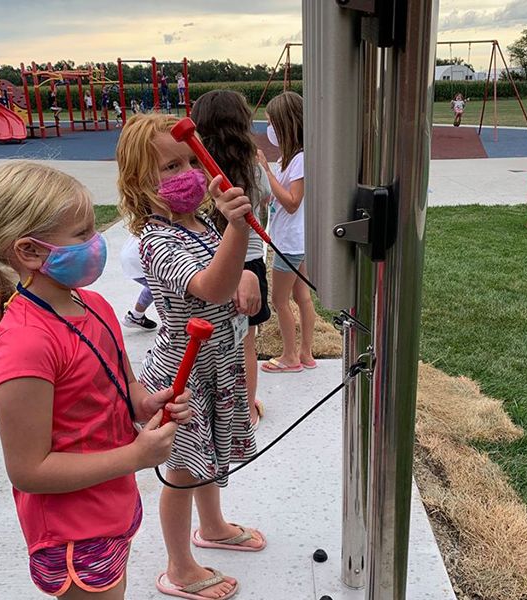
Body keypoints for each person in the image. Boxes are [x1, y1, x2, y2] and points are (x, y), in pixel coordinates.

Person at [0, 161, 193, 599]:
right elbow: (28, 470)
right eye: (81, 234)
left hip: (110, 505)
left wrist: (145, 403)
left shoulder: (93, 303)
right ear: (29, 251)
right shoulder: (25, 344)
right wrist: (136, 455)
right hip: (72, 532)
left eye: (93, 229)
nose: (96, 242)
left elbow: (123, 385)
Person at [117, 113, 266, 600]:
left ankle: (214, 526)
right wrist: (239, 230)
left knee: (209, 457)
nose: (186, 174)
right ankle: (179, 567)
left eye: (188, 160)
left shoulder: (198, 221)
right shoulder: (155, 240)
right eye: (168, 167)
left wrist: (245, 273)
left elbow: (223, 270)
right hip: (182, 374)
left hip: (215, 364)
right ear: (138, 183)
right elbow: (209, 285)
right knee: (181, 472)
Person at [191, 89, 271, 429]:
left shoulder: (199, 172)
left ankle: (209, 410)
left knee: (210, 343)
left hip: (208, 263)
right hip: (249, 263)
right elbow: (266, 202)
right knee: (246, 343)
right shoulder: (253, 172)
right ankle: (246, 410)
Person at [258, 91, 318, 374]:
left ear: (284, 123)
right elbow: (282, 198)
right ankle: (306, 353)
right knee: (301, 296)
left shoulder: (301, 159)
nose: (268, 129)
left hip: (290, 242)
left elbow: (293, 202)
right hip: (294, 238)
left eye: (271, 123)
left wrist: (265, 172)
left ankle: (290, 356)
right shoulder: (289, 158)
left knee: (279, 300)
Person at [120, 234, 158, 330]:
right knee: (160, 287)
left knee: (154, 287)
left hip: (132, 255)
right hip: (139, 260)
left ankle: (135, 316)